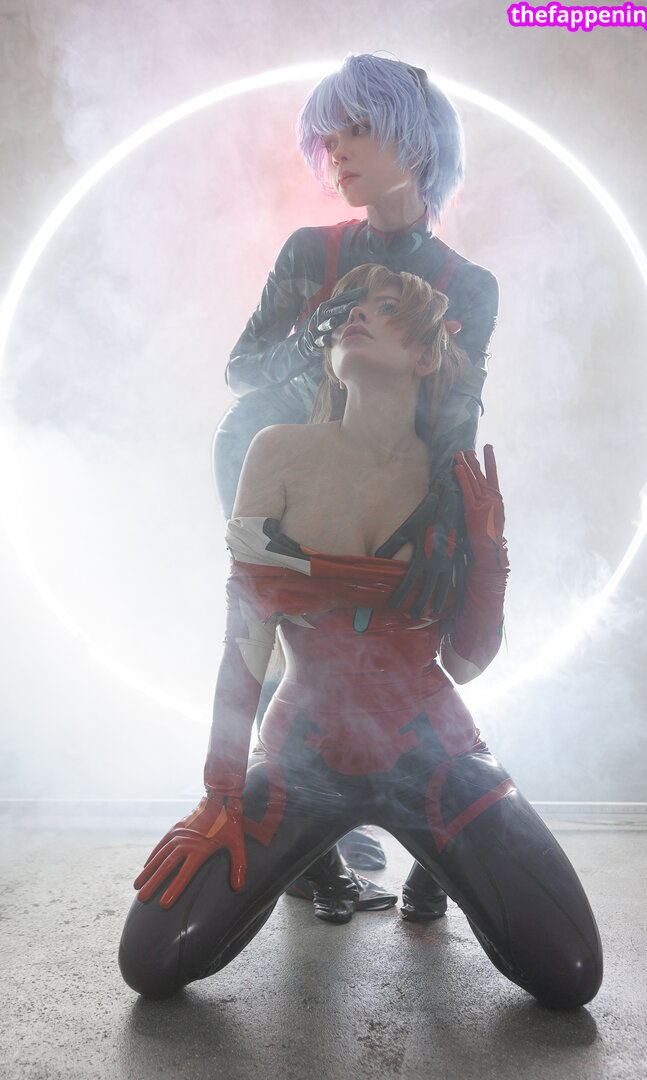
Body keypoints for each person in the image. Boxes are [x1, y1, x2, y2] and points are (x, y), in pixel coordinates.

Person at [119, 266, 603, 1008]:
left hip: (435, 754)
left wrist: (490, 558)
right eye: (348, 306)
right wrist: (219, 795)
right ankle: (343, 862)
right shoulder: (277, 451)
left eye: (384, 307)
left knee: (570, 971)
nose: (353, 315)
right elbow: (245, 645)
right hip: (302, 758)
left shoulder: (451, 482)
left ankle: (433, 867)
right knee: (151, 959)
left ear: (426, 354)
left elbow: (465, 662)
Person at [211, 53, 500, 918]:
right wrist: (312, 338)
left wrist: (447, 522)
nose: (336, 150)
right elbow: (242, 373)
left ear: (418, 141)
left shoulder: (466, 285)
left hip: (400, 476)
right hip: (278, 466)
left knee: (410, 642)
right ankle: (311, 849)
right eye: (327, 136)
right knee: (285, 640)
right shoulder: (312, 251)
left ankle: (435, 830)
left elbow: (457, 414)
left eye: (359, 129)